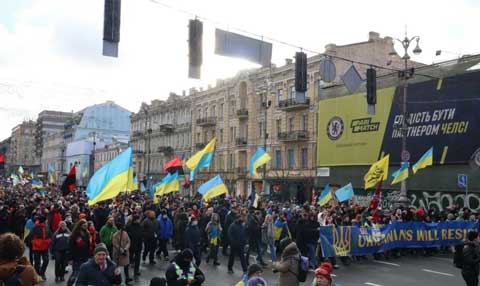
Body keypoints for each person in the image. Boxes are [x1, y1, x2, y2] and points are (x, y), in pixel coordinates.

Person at [68, 219, 91, 286]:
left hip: (85, 256)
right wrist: (70, 258)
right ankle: (70, 284)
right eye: (84, 225)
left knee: (84, 273)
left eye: (86, 225)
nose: (85, 226)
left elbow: (87, 246)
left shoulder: (87, 233)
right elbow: (71, 247)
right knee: (75, 273)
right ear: (80, 226)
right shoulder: (75, 235)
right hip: (76, 257)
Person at [29, 215, 51, 281]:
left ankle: (42, 273)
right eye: (46, 220)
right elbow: (30, 237)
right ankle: (37, 274)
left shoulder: (47, 227)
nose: (47, 221)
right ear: (43, 221)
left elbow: (50, 235)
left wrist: (49, 241)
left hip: (45, 247)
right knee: (37, 262)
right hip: (37, 247)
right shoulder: (35, 228)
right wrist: (33, 242)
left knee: (46, 260)